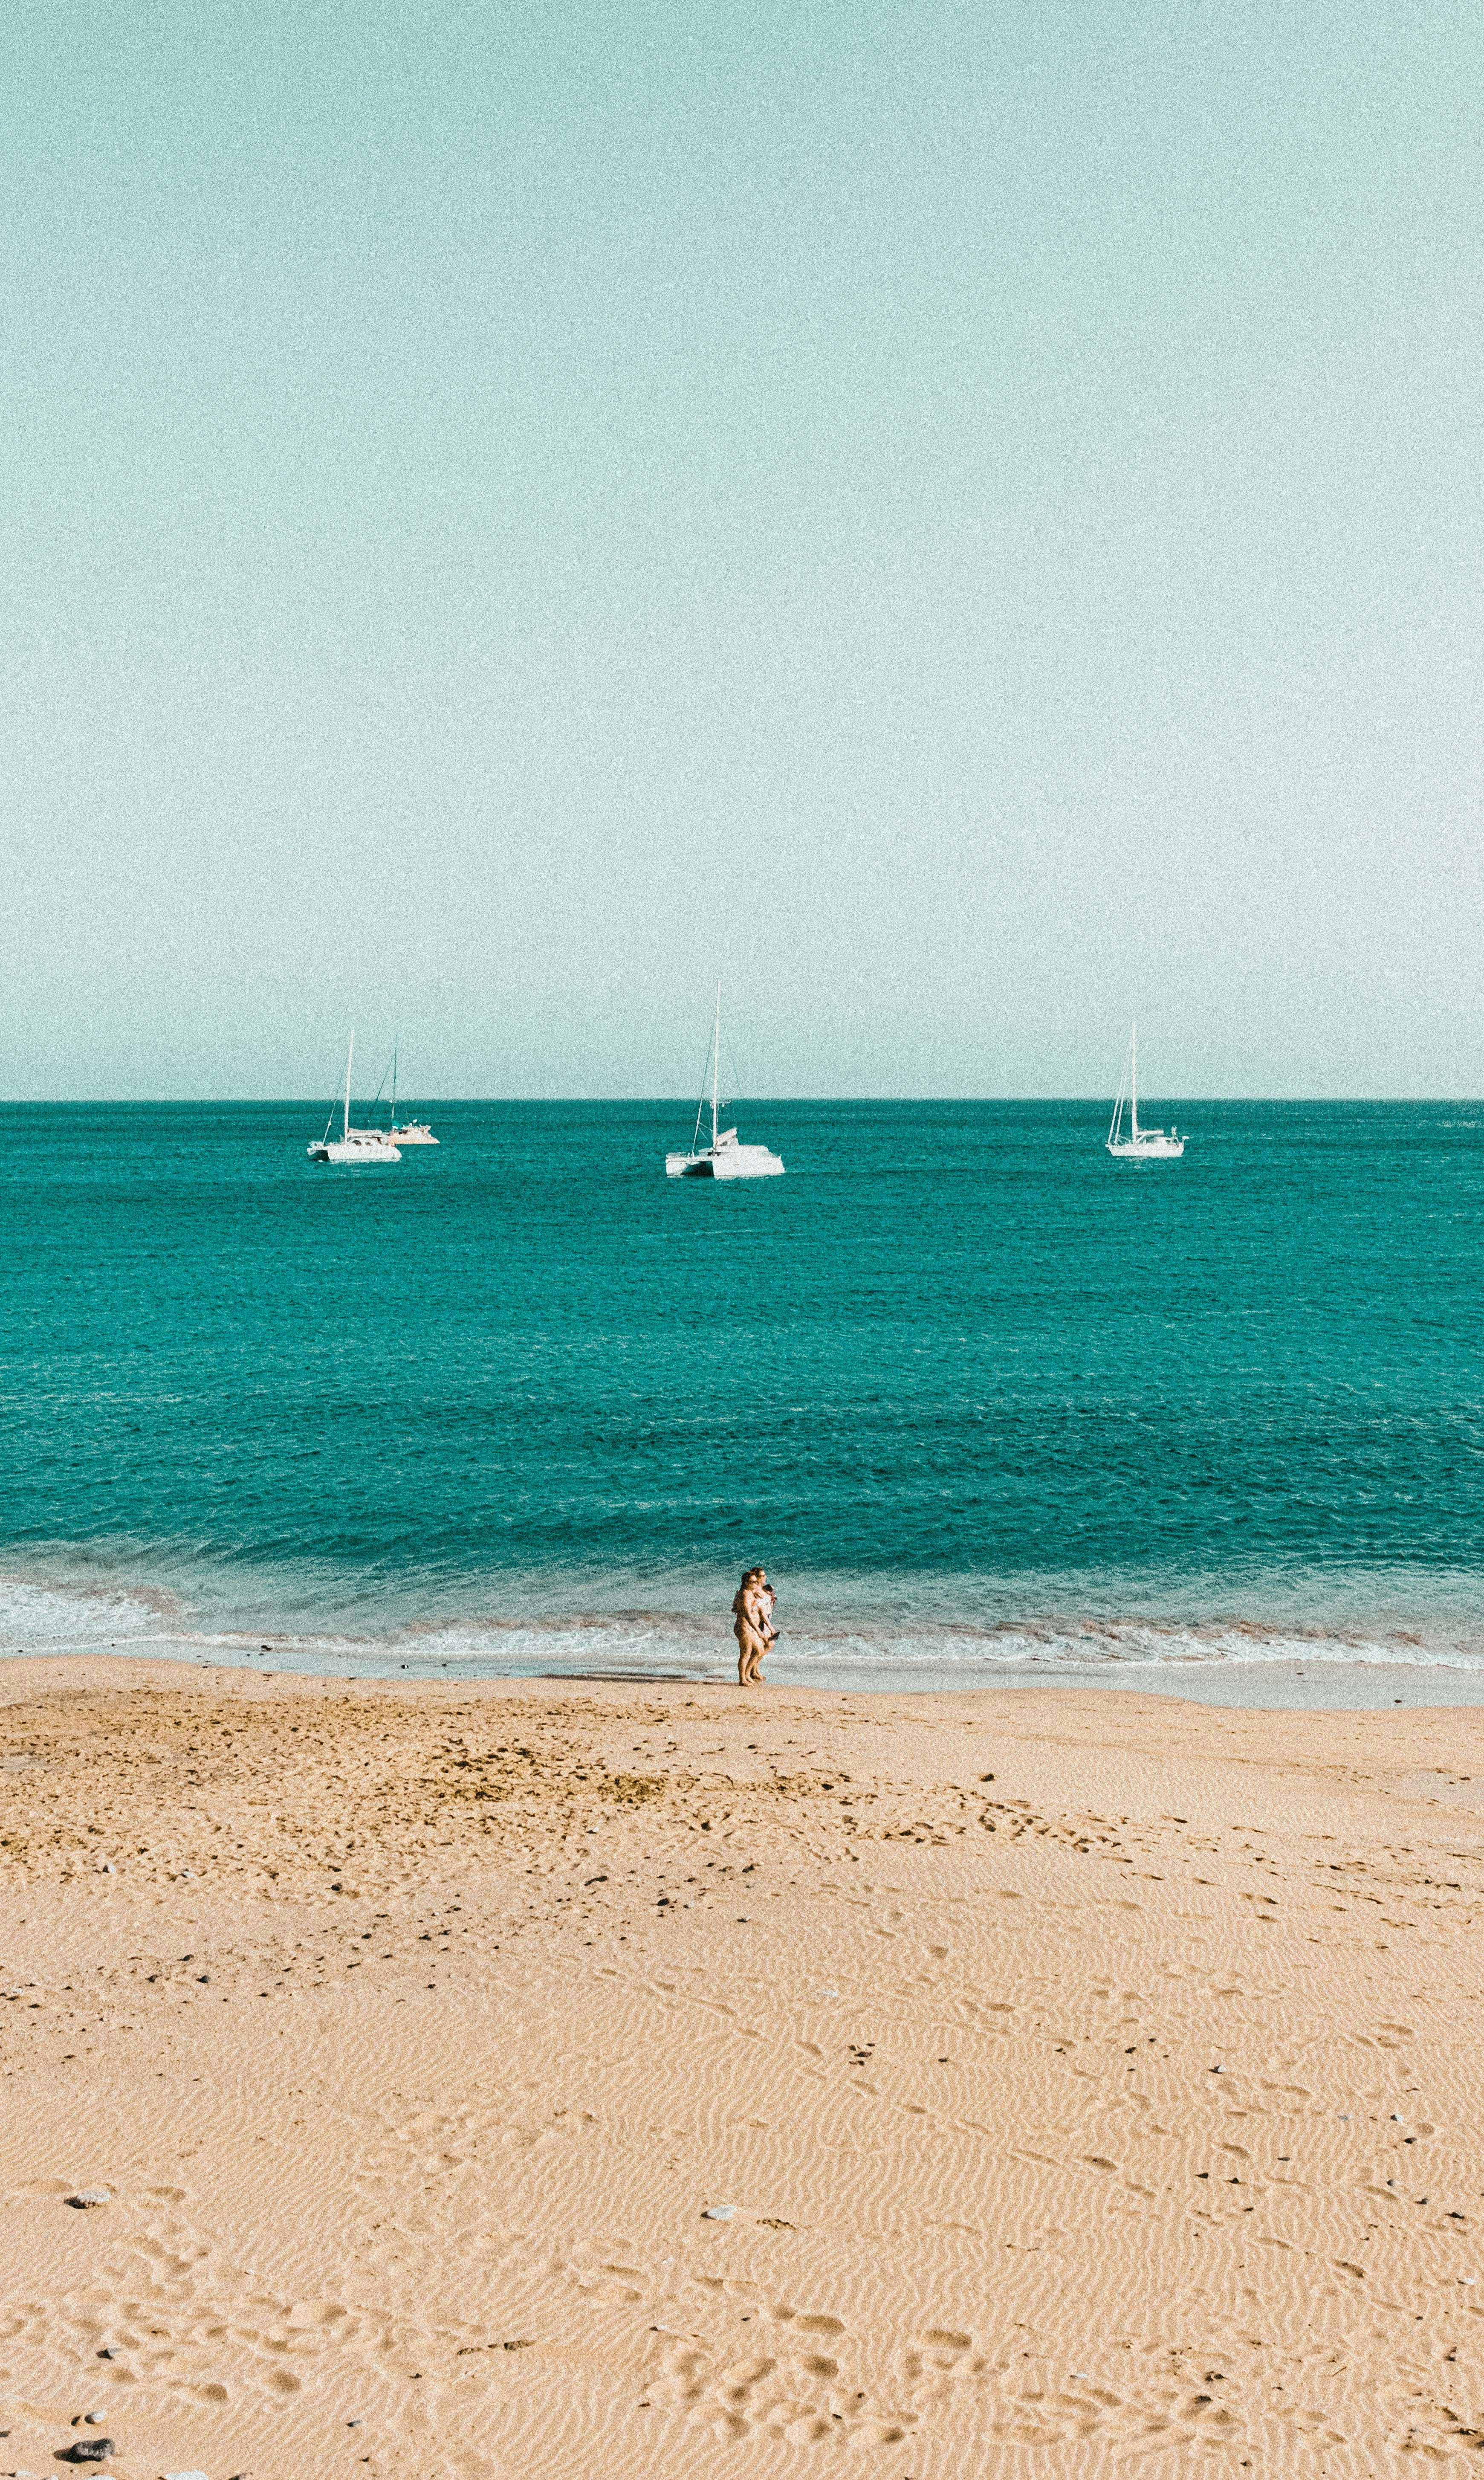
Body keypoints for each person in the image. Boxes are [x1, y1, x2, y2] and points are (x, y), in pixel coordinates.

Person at [732, 1567, 767, 1687]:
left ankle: (747, 1675)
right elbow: (747, 1615)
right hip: (744, 1628)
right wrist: (759, 1631)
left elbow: (735, 1606)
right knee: (746, 1654)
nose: (756, 1584)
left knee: (759, 1651)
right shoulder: (745, 1595)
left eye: (756, 1582)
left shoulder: (749, 1592)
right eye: (753, 1582)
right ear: (746, 1583)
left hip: (750, 1628)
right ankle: (742, 1679)